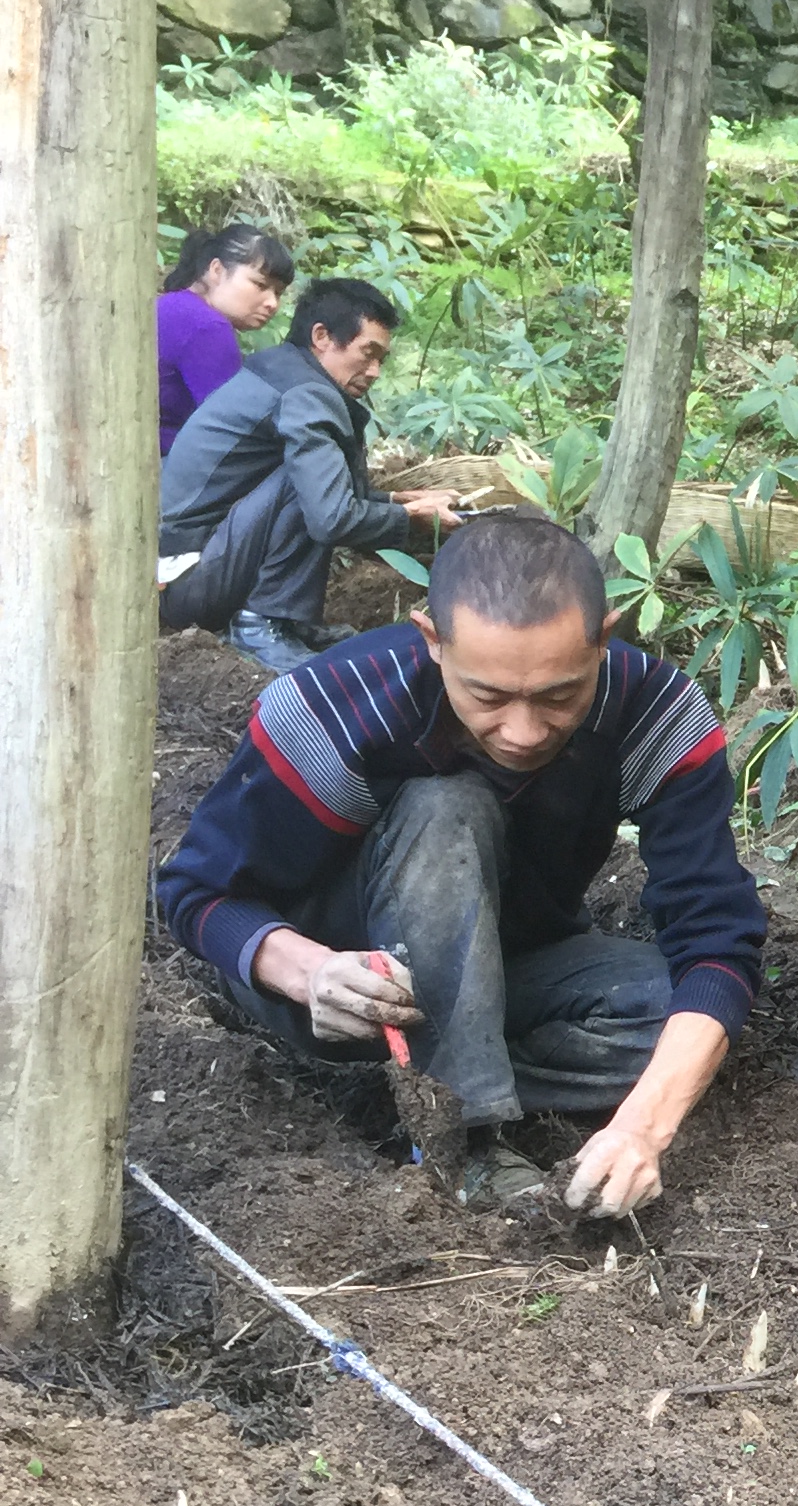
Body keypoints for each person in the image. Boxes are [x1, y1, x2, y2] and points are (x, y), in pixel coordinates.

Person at [156, 507, 764, 1217]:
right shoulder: (331, 712)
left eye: (558, 694)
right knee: (448, 808)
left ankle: (415, 1080)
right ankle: (459, 1136)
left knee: (677, 1017)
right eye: (489, 695)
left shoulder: (655, 715)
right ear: (433, 641)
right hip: (335, 995)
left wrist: (642, 1127)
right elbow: (195, 892)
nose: (524, 730)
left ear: (605, 639)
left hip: (503, 970)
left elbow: (717, 938)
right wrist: (310, 971)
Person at [158, 276, 463, 673]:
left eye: (381, 360)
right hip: (192, 582)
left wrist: (393, 502)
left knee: (311, 482)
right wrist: (407, 519)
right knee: (308, 486)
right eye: (366, 353)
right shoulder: (307, 394)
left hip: (189, 567)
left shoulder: (282, 368)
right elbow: (331, 516)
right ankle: (259, 624)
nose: (373, 372)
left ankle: (287, 620)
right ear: (321, 336)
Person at [156, 223, 295, 457]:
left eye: (278, 292)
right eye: (260, 285)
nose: (272, 303)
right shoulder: (207, 327)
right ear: (217, 270)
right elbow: (236, 430)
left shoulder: (172, 305)